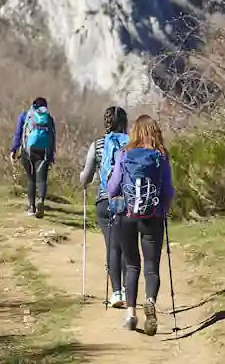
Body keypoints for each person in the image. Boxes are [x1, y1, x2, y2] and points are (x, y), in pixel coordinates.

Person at [105, 114, 174, 335]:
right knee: (151, 265)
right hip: (153, 216)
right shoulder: (161, 156)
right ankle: (150, 300)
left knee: (132, 264)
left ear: (133, 132)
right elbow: (169, 191)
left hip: (126, 215)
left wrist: (115, 198)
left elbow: (113, 188)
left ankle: (131, 314)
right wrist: (164, 207)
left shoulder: (124, 154)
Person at [79, 106, 129, 308]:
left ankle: (116, 293)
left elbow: (86, 177)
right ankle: (128, 289)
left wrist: (81, 180)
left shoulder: (97, 145)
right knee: (128, 246)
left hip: (104, 201)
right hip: (127, 201)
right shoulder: (133, 143)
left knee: (112, 246)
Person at [9, 96, 56, 218]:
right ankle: (41, 200)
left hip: (28, 151)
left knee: (31, 178)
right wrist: (51, 156)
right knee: (42, 178)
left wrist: (14, 150)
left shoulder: (25, 116)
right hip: (44, 152)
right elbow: (53, 138)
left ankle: (32, 207)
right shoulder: (49, 119)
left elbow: (18, 134)